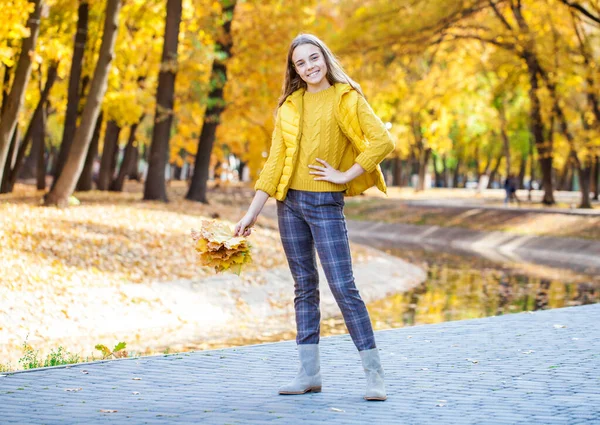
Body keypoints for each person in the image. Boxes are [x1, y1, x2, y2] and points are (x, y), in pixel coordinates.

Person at [234, 34, 395, 401]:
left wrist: (345, 175)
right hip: (288, 204)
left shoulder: (347, 98)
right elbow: (275, 163)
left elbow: (383, 142)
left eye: (313, 58)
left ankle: (374, 376)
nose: (309, 67)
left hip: (325, 204)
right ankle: (309, 374)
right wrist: (251, 214)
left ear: (325, 58)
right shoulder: (289, 105)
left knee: (343, 287)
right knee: (304, 287)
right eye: (300, 63)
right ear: (294, 70)